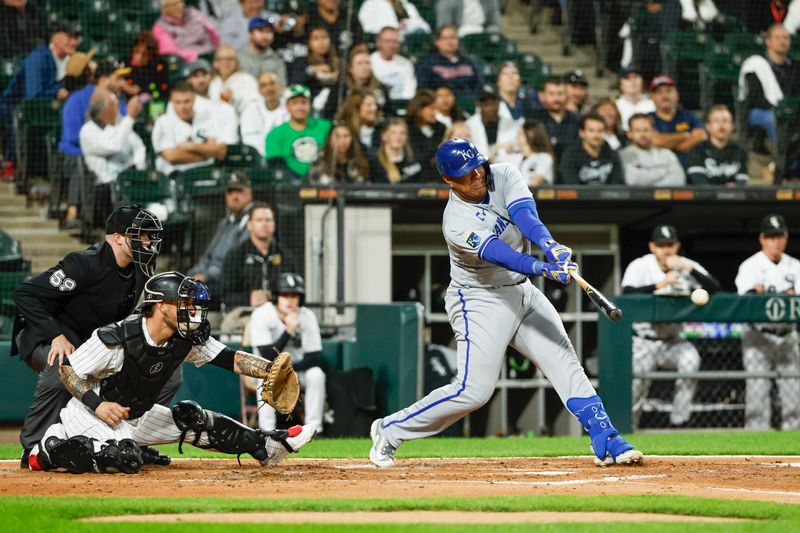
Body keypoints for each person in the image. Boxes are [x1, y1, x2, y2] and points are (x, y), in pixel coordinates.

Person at [369, 138, 643, 467]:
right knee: (474, 391)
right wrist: (543, 268)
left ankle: (606, 436)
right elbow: (502, 255)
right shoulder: (456, 222)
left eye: (478, 167)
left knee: (565, 362)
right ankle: (390, 429)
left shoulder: (503, 173)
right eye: (467, 174)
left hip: (520, 291)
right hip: (479, 299)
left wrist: (549, 244)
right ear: (449, 181)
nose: (477, 176)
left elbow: (525, 216)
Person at [26, 271, 316, 474]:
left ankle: (268, 446)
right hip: (90, 414)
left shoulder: (184, 336)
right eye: (185, 304)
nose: (193, 311)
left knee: (192, 418)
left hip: (134, 415)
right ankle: (50, 449)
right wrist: (97, 405)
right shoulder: (118, 337)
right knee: (123, 458)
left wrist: (268, 369)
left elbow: (229, 358)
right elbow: (67, 370)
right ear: (161, 306)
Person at [11, 206, 165, 467]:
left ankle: (131, 442)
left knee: (162, 370)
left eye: (149, 236)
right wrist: (56, 335)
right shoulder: (83, 263)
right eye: (141, 235)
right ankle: (34, 445)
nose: (148, 242)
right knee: (64, 365)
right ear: (118, 237)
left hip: (92, 344)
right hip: (45, 337)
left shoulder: (141, 268)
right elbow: (24, 294)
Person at [621, 224, 720, 428]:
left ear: (677, 246)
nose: (666, 249)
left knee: (691, 361)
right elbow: (627, 292)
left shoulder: (686, 265)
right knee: (637, 386)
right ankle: (629, 428)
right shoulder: (641, 265)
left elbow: (714, 287)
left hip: (673, 340)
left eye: (670, 244)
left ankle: (678, 422)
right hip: (644, 340)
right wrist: (659, 285)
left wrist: (688, 268)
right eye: (661, 245)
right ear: (652, 246)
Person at [735, 214, 800, 430]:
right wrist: (785, 294)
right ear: (762, 239)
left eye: (779, 236)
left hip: (788, 335)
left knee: (794, 392)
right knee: (757, 391)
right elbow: (748, 298)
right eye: (771, 237)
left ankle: (794, 441)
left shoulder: (795, 266)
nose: (776, 241)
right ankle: (754, 445)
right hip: (758, 336)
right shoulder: (750, 266)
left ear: (786, 238)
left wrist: (764, 293)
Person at [250, 273, 326, 434]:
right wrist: (288, 331)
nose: (290, 300)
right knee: (264, 378)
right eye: (285, 295)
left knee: (316, 374)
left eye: (294, 295)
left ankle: (314, 429)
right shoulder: (262, 314)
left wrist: (289, 369)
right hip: (266, 369)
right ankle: (267, 430)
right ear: (277, 297)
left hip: (296, 369)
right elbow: (266, 356)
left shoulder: (307, 316)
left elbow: (315, 357)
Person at [79, 90, 148, 225]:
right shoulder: (88, 131)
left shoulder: (120, 122)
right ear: (102, 111)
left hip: (130, 177)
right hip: (105, 184)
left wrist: (139, 167)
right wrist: (130, 117)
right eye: (113, 105)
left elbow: (139, 146)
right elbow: (114, 145)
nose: (118, 109)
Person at [188, 171, 254, 303]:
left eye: (239, 191)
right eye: (230, 192)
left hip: (227, 282)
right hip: (209, 279)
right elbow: (207, 257)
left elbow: (234, 263)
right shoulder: (224, 223)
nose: (234, 196)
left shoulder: (252, 222)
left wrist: (205, 275)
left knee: (188, 295)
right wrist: (189, 275)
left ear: (249, 193)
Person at [221, 202, 295, 312]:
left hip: (277, 313)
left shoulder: (285, 256)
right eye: (259, 220)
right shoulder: (235, 256)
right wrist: (249, 298)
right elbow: (225, 296)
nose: (264, 224)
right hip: (243, 313)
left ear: (274, 225)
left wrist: (272, 298)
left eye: (268, 220)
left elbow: (294, 291)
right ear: (249, 225)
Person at [152, 82, 237, 176]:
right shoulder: (163, 122)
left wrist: (191, 146)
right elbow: (172, 157)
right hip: (177, 176)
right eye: (177, 102)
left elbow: (221, 151)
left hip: (208, 173)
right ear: (171, 102)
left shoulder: (207, 118)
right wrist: (208, 153)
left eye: (186, 101)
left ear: (194, 100)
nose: (182, 107)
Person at [738, 23, 800, 153]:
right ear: (768, 41)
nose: (782, 41)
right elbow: (755, 99)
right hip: (759, 111)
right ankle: (781, 161)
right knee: (773, 118)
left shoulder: (795, 66)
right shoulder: (756, 64)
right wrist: (782, 109)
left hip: (790, 109)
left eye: (786, 38)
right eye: (778, 38)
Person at [265, 84, 332, 178]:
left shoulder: (325, 127)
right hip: (290, 185)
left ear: (310, 104)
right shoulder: (275, 134)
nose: (300, 107)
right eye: (295, 103)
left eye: (304, 102)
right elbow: (275, 165)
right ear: (287, 106)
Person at [649, 74, 707, 167]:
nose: (665, 95)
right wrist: (684, 135)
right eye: (659, 92)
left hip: (689, 168)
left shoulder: (690, 116)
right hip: (657, 168)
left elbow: (701, 136)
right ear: (652, 96)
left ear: (677, 94)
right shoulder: (647, 119)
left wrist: (668, 144)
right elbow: (653, 140)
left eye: (669, 91)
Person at [687, 105, 749, 186]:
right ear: (708, 126)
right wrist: (725, 189)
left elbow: (741, 183)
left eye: (725, 121)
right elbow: (699, 183)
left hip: (732, 198)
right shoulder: (697, 150)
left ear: (732, 126)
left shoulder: (740, 152)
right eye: (716, 121)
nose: (721, 125)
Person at [415, 25, 482, 99]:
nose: (449, 42)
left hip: (469, 103)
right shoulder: (427, 62)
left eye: (453, 37)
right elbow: (424, 89)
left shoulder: (468, 62)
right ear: (437, 42)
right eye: (445, 38)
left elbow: (479, 86)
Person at [619, 113, 685, 186]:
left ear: (653, 131)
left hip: (666, 197)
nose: (642, 134)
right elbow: (633, 180)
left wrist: (655, 192)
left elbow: (678, 180)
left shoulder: (667, 154)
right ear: (629, 133)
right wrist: (663, 172)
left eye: (646, 130)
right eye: (637, 130)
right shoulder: (623, 155)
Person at [559, 113, 625, 185]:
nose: (596, 135)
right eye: (591, 130)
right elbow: (571, 186)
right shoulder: (570, 156)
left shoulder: (612, 155)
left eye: (600, 130)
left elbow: (617, 185)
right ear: (582, 133)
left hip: (607, 196)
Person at [526, 76, 580, 162]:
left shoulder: (575, 119)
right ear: (542, 96)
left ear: (566, 95)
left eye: (560, 94)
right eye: (551, 94)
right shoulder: (534, 120)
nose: (556, 99)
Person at [152, 0, 220, 63]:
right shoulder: (160, 27)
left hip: (212, 53)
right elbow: (170, 52)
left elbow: (212, 30)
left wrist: (221, 49)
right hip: (188, 63)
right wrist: (195, 57)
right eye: (173, 5)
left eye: (179, 2)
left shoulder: (193, 12)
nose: (178, 6)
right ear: (164, 9)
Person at [240, 71, 289, 158]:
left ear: (280, 86)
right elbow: (250, 140)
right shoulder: (250, 109)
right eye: (263, 86)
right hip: (258, 159)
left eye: (272, 83)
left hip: (286, 156)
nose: (269, 89)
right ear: (259, 90)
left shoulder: (290, 107)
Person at [465, 85, 521, 161]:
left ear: (499, 103)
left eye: (494, 103)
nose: (491, 108)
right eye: (486, 104)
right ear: (478, 104)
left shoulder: (512, 125)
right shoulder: (468, 126)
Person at [493, 120, 555, 186]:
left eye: (520, 133)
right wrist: (498, 146)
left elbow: (535, 182)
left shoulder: (544, 158)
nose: (517, 136)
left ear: (531, 134)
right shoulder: (517, 157)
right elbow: (492, 162)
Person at [208, 44, 261, 115]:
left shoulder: (247, 80)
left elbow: (255, 106)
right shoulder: (214, 83)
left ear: (236, 62)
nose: (227, 62)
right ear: (216, 63)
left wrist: (232, 100)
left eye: (230, 59)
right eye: (223, 59)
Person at [406, 89, 447, 176]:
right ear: (419, 108)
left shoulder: (441, 128)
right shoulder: (407, 129)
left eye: (436, 108)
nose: (435, 112)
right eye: (431, 108)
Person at [370, 26, 418, 100]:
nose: (391, 45)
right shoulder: (369, 62)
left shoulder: (406, 64)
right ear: (379, 42)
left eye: (395, 41)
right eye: (388, 41)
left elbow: (410, 90)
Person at [369, 118, 423, 183]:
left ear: (407, 137)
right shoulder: (374, 161)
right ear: (384, 136)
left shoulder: (415, 158)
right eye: (393, 133)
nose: (398, 137)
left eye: (402, 133)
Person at [237, 16, 287, 84]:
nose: (265, 36)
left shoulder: (277, 58)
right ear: (250, 34)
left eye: (269, 32)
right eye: (261, 31)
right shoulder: (238, 56)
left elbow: (281, 86)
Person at [126, 30, 171, 101]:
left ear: (151, 55)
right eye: (137, 52)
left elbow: (161, 90)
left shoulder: (160, 66)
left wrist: (140, 91)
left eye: (144, 54)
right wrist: (124, 86)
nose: (139, 57)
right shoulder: (126, 63)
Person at [615, 66, 656, 132]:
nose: (632, 81)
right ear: (620, 84)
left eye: (636, 76)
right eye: (627, 78)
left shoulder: (654, 103)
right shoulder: (615, 106)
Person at [358, 0, 431, 36]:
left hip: (408, 39)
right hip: (383, 40)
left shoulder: (406, 4)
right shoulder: (372, 3)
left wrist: (407, 24)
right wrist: (396, 28)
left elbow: (424, 27)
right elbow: (365, 27)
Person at [436, 0, 501, 37]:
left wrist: (492, 34)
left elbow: (494, 23)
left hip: (483, 33)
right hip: (459, 33)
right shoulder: (447, 2)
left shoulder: (490, 1)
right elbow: (443, 26)